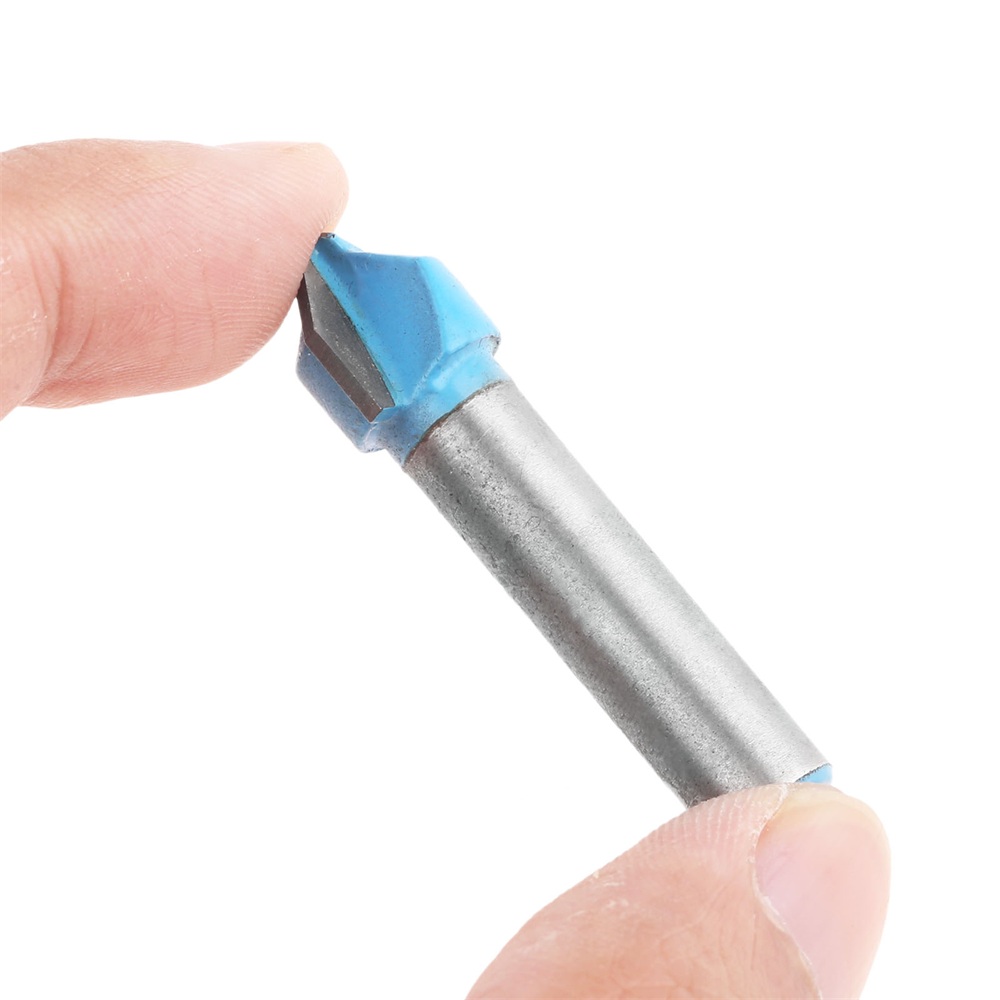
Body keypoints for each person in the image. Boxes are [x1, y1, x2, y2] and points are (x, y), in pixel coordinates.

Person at [1, 140, 890, 998]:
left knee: (786, 819)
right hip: (771, 805)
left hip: (770, 801)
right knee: (787, 821)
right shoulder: (388, 327)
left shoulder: (380, 329)